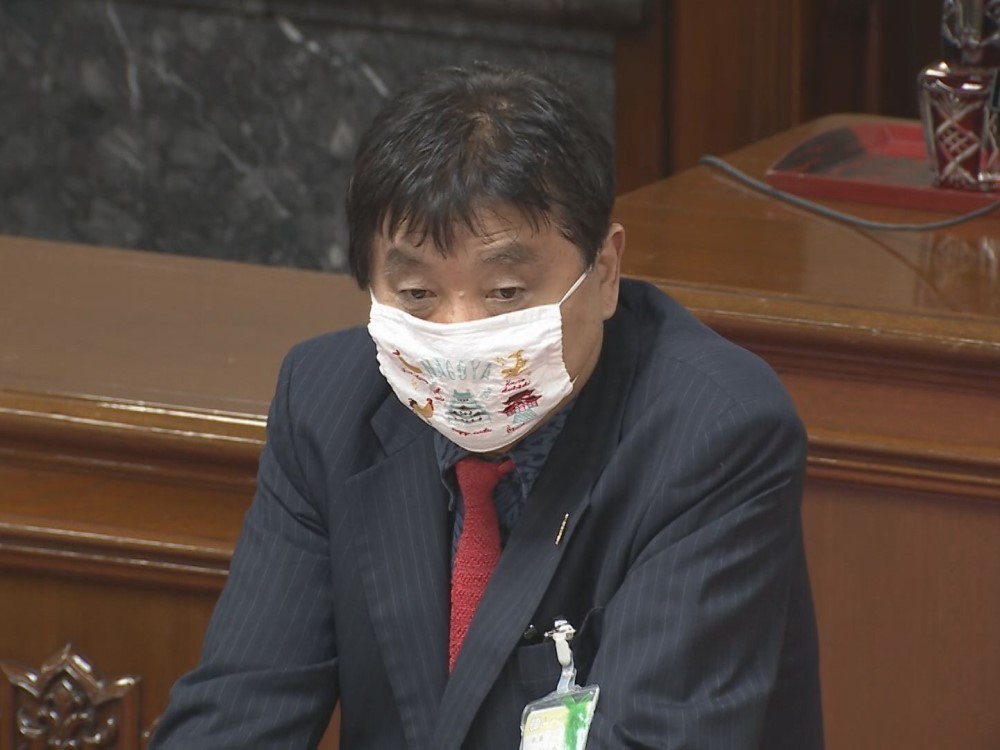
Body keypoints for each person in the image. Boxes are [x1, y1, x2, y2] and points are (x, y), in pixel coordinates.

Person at [150, 63, 823, 749]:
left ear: (605, 272)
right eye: (418, 295)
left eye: (505, 293)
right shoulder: (327, 401)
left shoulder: (715, 434)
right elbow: (238, 714)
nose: (461, 336)